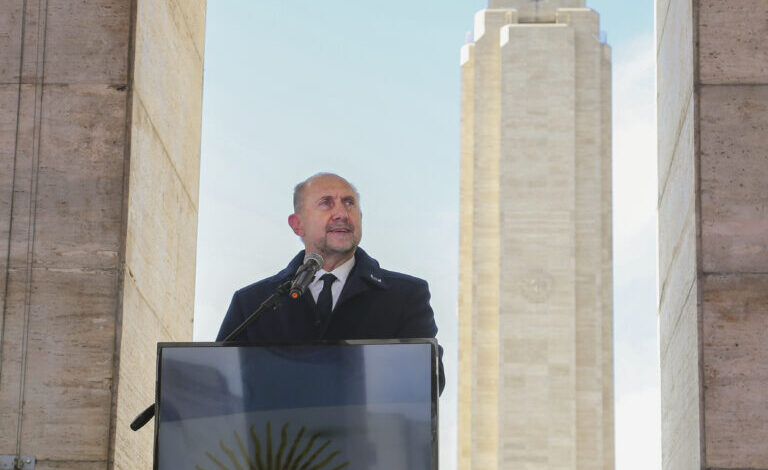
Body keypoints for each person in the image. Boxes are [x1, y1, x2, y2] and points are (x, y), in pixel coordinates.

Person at [216, 172, 445, 393]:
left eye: (349, 203)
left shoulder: (405, 296)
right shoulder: (253, 304)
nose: (342, 214)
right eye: (326, 203)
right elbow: (221, 385)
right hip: (278, 433)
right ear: (297, 224)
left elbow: (428, 384)